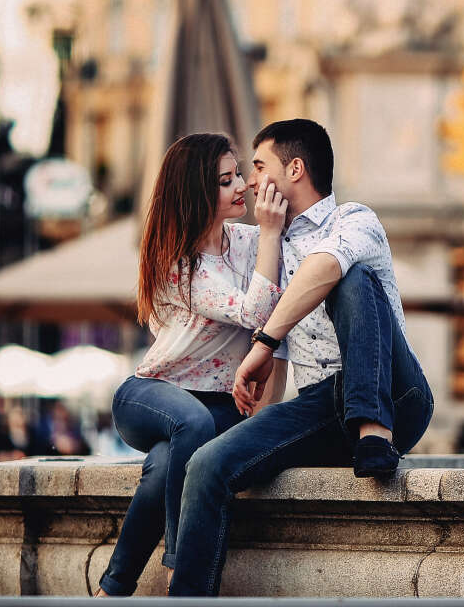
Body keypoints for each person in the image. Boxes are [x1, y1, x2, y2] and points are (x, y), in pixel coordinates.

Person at [169, 119, 433, 598]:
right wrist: (255, 428)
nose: (249, 183)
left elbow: (326, 267)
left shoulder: (353, 219)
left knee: (349, 277)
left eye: (258, 167)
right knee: (207, 465)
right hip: (322, 404)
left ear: (294, 169)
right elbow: (281, 367)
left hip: (397, 396)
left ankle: (374, 430)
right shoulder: (267, 247)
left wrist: (263, 341)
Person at [95, 132, 288, 597]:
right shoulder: (175, 262)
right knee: (191, 423)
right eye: (226, 180)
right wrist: (270, 233)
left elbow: (280, 310)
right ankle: (182, 564)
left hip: (219, 403)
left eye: (239, 173)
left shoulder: (247, 241)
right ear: (196, 191)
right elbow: (256, 314)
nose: (242, 185)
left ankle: (112, 590)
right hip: (150, 395)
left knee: (164, 466)